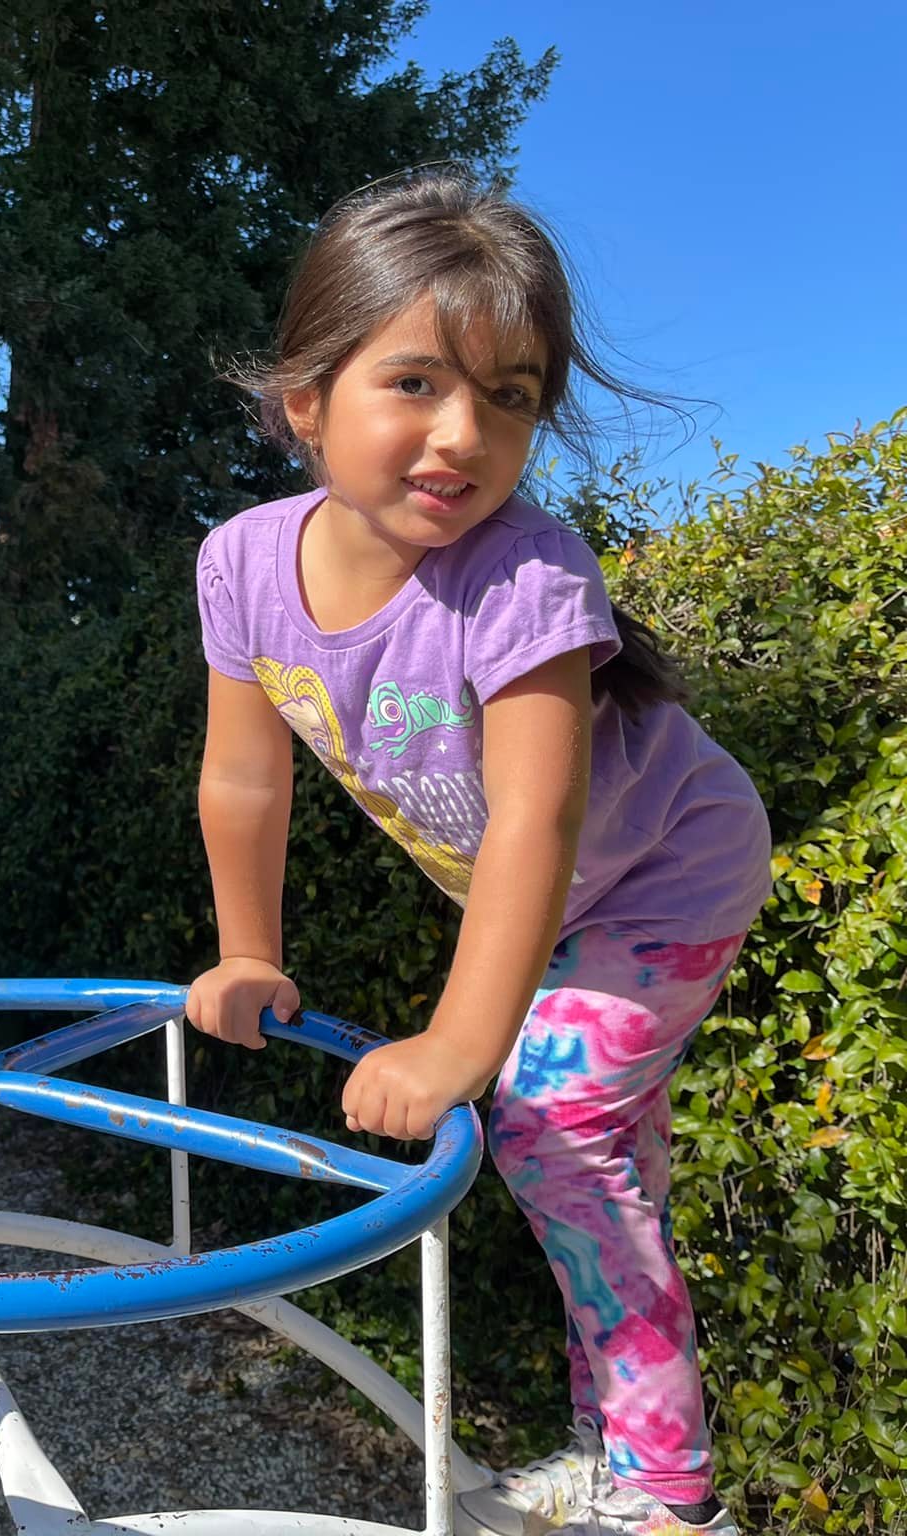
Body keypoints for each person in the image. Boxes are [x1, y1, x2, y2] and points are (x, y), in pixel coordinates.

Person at [186, 171, 770, 1536]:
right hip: (560, 892)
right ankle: (616, 1446)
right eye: (417, 383)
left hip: (670, 863)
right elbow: (242, 777)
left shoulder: (526, 575)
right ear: (304, 399)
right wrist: (248, 948)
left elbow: (535, 823)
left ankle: (671, 1499)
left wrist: (458, 1046)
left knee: (553, 1126)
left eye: (509, 397)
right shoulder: (242, 565)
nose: (463, 433)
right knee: (599, 1164)